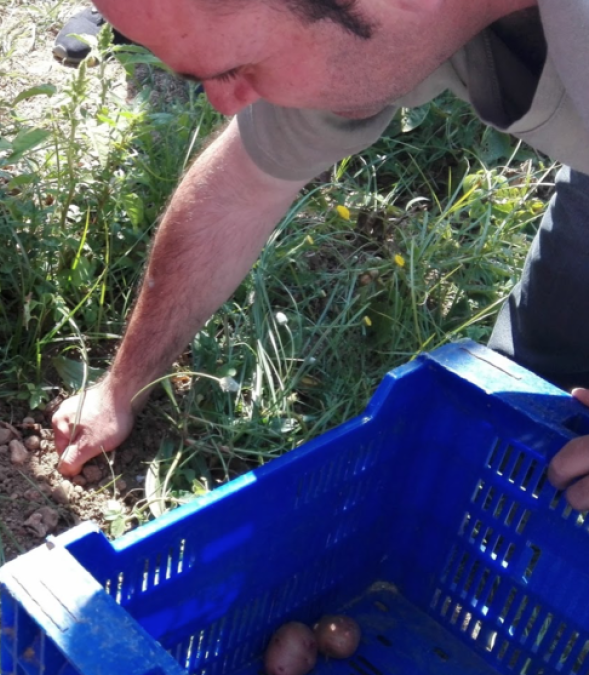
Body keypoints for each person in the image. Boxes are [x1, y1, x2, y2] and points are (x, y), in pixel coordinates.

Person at [49, 0, 589, 509]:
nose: (223, 103)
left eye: (237, 68)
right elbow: (238, 190)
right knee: (535, 403)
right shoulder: (362, 28)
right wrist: (122, 387)